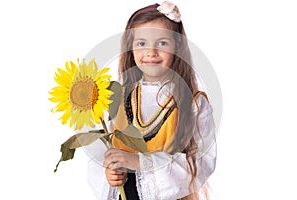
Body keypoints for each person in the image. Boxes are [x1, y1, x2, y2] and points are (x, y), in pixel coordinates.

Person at [87, 1, 216, 200]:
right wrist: (109, 173)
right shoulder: (115, 98)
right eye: (141, 43)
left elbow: (201, 162)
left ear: (178, 46)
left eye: (162, 43)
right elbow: (101, 150)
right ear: (130, 47)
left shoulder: (194, 104)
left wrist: (140, 162)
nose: (151, 52)